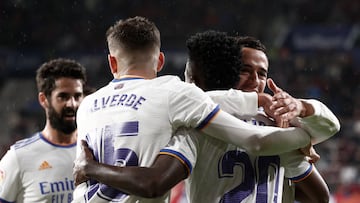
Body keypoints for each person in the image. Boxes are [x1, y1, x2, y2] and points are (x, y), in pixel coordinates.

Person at [71, 16, 330, 203]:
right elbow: (154, 183)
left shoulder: (87, 106)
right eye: (244, 70)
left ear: (111, 62)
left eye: (262, 73)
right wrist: (301, 136)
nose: (256, 80)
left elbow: (317, 195)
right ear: (160, 61)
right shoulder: (191, 118)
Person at [0, 58, 87, 202]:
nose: (72, 104)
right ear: (43, 99)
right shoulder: (19, 157)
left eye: (77, 96)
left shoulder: (95, 151)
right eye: (63, 97)